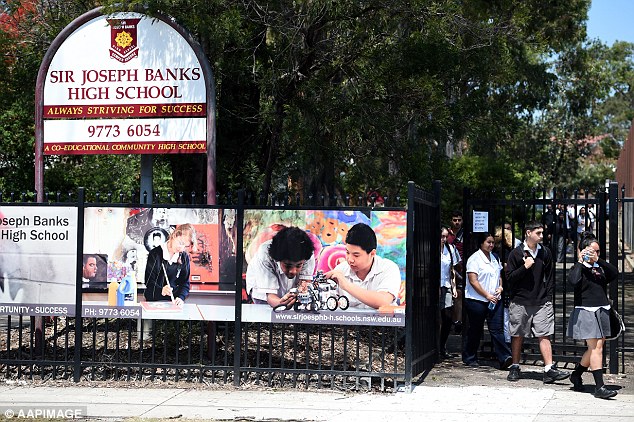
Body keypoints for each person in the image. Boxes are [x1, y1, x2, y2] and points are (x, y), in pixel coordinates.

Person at [505, 221, 570, 383]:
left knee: (544, 334)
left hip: (541, 301)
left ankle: (549, 369)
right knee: (518, 334)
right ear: (528, 233)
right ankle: (515, 366)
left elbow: (550, 277)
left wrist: (548, 297)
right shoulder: (516, 253)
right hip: (520, 301)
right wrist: (525, 267)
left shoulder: (545, 252)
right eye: (538, 233)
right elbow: (510, 278)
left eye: (542, 233)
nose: (541, 236)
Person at [567, 232, 619, 399]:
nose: (595, 254)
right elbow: (573, 281)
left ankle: (576, 374)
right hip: (586, 311)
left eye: (597, 251)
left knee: (595, 348)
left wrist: (598, 260)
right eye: (591, 251)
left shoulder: (599, 267)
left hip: (602, 309)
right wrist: (580, 261)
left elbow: (614, 273)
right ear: (582, 251)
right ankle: (599, 387)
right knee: (596, 348)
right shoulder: (578, 268)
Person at [462, 232, 512, 368]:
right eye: (488, 242)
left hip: (494, 299)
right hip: (477, 300)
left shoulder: (494, 257)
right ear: (481, 243)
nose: (491, 245)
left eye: (492, 243)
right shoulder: (474, 259)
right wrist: (486, 295)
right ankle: (469, 357)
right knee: (476, 329)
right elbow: (473, 281)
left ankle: (505, 357)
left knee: (497, 329)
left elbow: (499, 275)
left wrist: (500, 287)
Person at [325, 223, 401, 309]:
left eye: (356, 255)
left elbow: (383, 301)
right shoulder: (340, 270)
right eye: (347, 252)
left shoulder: (388, 268)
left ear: (372, 253)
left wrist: (346, 285)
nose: (350, 259)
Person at [246, 226, 315, 308]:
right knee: (268, 312)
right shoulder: (264, 255)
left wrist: (302, 293)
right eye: (288, 265)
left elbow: (305, 283)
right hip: (263, 296)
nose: (293, 271)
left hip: (289, 293)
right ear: (277, 259)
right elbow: (270, 296)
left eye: (298, 265)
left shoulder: (307, 253)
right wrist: (281, 304)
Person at [144, 224, 196, 306]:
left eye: (185, 246)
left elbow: (185, 283)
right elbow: (149, 281)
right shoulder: (155, 254)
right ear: (174, 235)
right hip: (154, 301)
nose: (181, 248)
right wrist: (161, 290)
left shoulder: (184, 257)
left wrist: (181, 297)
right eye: (180, 243)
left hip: (174, 303)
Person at [439, 226, 462, 359]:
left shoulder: (450, 249)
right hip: (436, 286)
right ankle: (434, 347)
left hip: (447, 284)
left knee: (447, 316)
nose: (444, 239)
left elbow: (452, 268)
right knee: (436, 318)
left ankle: (442, 345)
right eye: (442, 236)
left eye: (446, 237)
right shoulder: (431, 248)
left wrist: (453, 287)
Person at [446, 210, 464, 333]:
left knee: (459, 294)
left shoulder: (465, 234)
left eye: (459, 220)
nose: (457, 222)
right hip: (447, 268)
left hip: (461, 269)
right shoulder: (447, 234)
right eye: (454, 220)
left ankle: (458, 322)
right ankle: (449, 322)